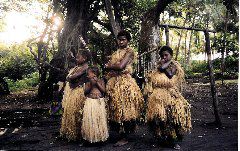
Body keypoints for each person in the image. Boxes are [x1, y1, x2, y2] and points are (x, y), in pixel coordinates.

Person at [144, 45, 192, 150]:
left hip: (170, 96)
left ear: (171, 56)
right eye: (162, 56)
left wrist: (165, 64)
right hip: (157, 97)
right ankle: (161, 139)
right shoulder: (159, 67)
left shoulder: (174, 65)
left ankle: (173, 141)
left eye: (166, 55)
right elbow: (152, 79)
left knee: (171, 119)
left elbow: (170, 75)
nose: (164, 57)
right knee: (159, 120)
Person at [105, 30, 144, 146]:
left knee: (125, 109)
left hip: (125, 83)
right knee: (115, 108)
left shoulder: (130, 51)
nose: (121, 42)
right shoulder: (116, 52)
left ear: (128, 41)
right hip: (113, 83)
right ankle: (119, 133)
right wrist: (111, 67)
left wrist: (108, 66)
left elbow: (121, 66)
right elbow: (114, 67)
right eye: (119, 39)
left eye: (123, 39)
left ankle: (125, 136)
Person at [60, 49, 91, 141]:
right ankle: (74, 133)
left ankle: (80, 134)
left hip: (80, 92)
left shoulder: (85, 67)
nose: (76, 59)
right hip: (74, 91)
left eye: (78, 57)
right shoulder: (79, 66)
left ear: (84, 58)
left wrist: (69, 76)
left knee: (77, 112)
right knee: (72, 112)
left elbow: (72, 77)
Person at [81, 66, 109, 143]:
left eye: (88, 74)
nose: (87, 75)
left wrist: (97, 83)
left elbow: (104, 91)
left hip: (99, 103)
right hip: (90, 102)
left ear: (94, 74)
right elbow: (85, 92)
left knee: (99, 119)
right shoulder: (88, 82)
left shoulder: (101, 81)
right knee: (91, 119)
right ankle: (90, 137)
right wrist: (90, 84)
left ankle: (100, 137)